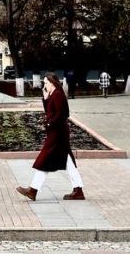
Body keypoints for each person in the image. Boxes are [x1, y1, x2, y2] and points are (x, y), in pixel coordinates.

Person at [16, 72, 85, 201]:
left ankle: (33, 190)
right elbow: (49, 111)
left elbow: (62, 114)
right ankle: (78, 190)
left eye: (46, 83)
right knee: (67, 160)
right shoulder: (53, 94)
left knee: (45, 159)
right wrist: (45, 98)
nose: (44, 85)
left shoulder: (58, 94)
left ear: (52, 83)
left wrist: (49, 123)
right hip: (57, 132)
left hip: (58, 133)